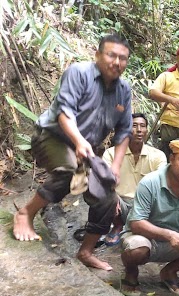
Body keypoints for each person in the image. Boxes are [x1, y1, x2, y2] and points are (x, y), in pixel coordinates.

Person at [12, 34, 132, 271]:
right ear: (98, 55)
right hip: (52, 137)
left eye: (122, 58)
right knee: (69, 169)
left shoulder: (124, 90)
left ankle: (86, 252)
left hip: (85, 149)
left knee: (108, 197)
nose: (116, 62)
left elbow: (124, 131)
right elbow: (64, 112)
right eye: (111, 55)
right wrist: (77, 141)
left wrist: (116, 167)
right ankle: (26, 213)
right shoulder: (79, 73)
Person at [120, 139, 179, 296]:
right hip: (145, 237)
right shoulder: (149, 182)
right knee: (136, 251)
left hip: (178, 239)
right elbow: (136, 223)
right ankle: (131, 271)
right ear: (171, 159)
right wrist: (169, 234)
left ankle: (169, 272)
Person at [102, 113, 167, 246]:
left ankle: (140, 228)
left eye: (142, 126)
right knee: (104, 194)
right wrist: (112, 196)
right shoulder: (110, 153)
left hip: (146, 204)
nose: (138, 130)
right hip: (121, 203)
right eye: (134, 126)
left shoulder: (158, 155)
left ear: (147, 130)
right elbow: (105, 181)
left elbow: (161, 182)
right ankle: (118, 225)